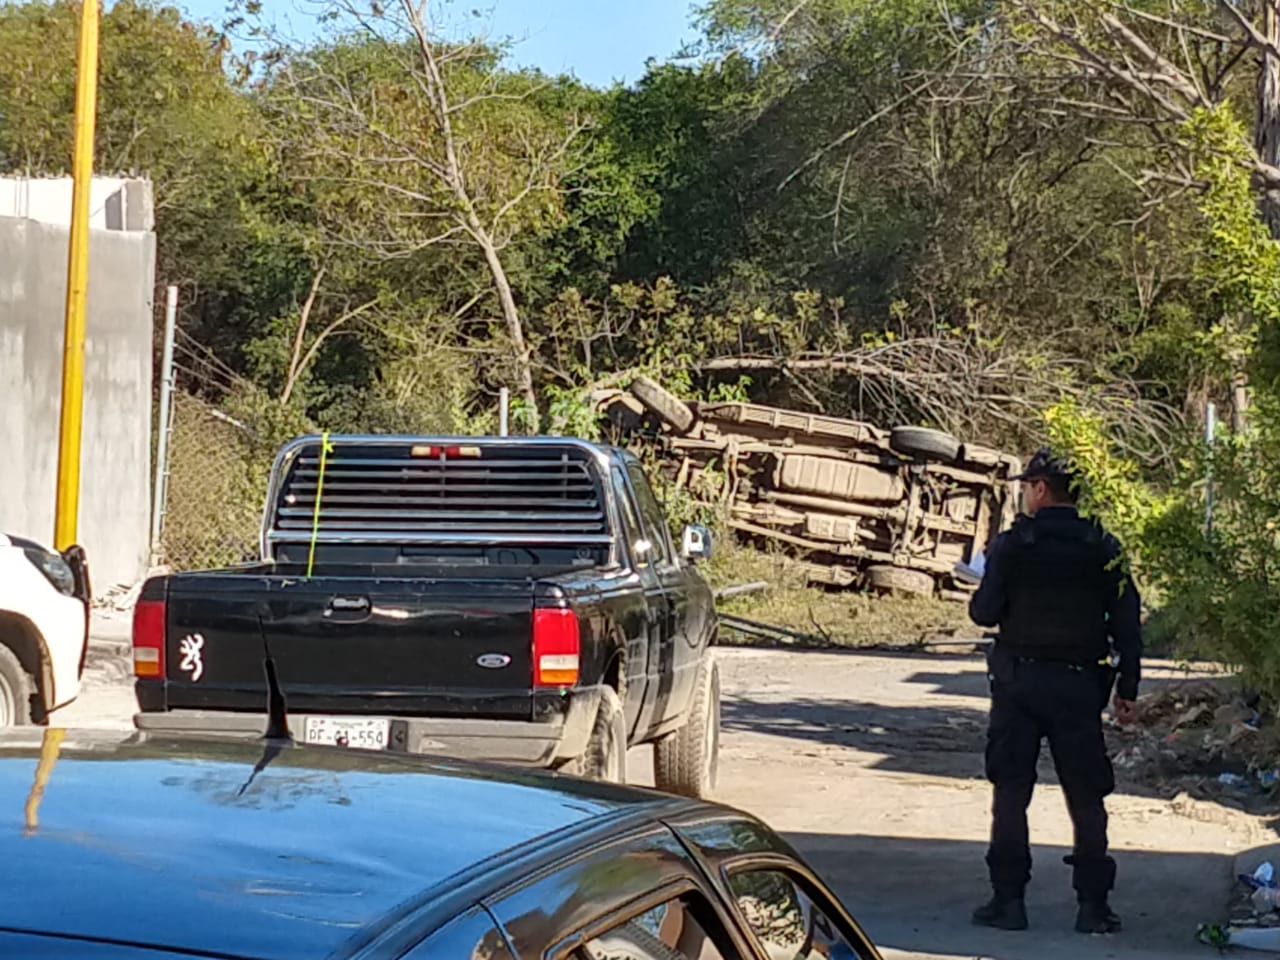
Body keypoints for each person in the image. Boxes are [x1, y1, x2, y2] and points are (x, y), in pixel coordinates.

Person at [968, 448, 1142, 936]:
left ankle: (1008, 903)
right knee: (1086, 796)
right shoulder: (1104, 547)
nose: (1025, 494)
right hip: (1079, 686)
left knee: (1011, 793)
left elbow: (984, 613)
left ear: (1041, 488)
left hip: (1019, 684)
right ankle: (1092, 908)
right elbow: (1127, 624)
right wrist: (1128, 687)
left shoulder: (1012, 545)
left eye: (1027, 486)